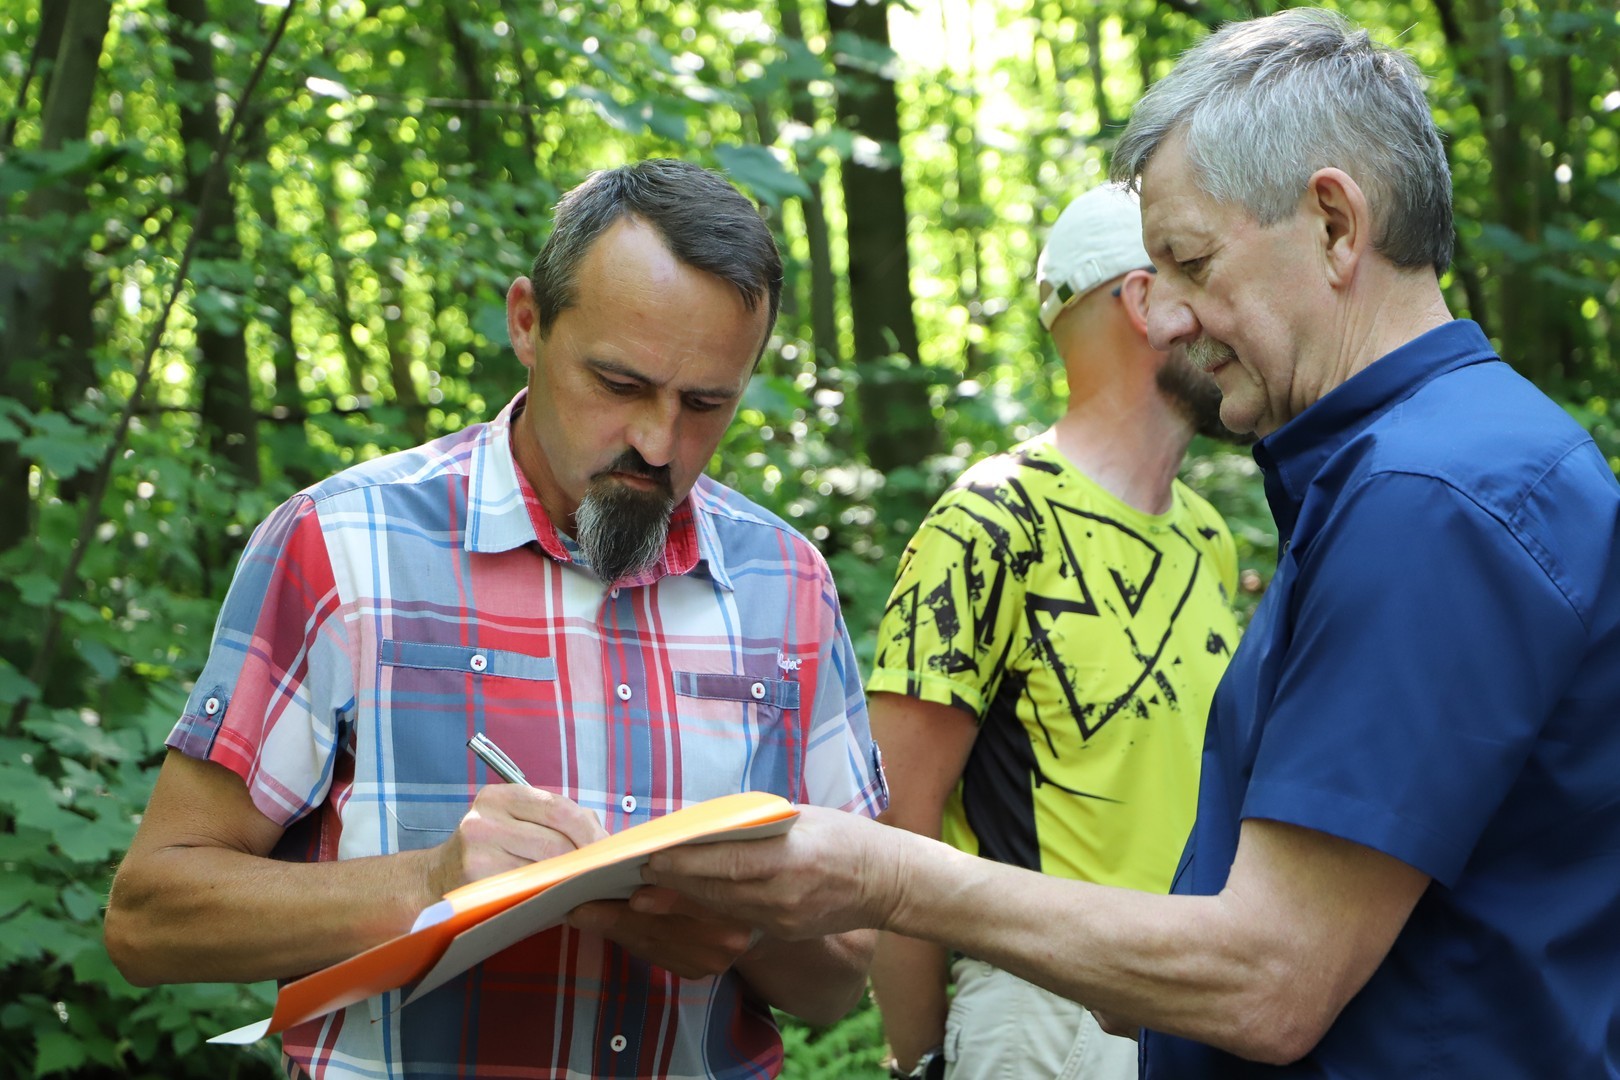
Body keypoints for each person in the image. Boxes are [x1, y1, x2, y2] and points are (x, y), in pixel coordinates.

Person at [637, 10, 1620, 1077]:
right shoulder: (1431, 469)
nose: (1168, 320)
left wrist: (888, 877)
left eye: (1191, 263)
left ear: (1337, 225)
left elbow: (1270, 978)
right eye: (1150, 280)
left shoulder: (1426, 500)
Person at [103, 159, 888, 1080]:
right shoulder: (341, 544)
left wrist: (746, 932)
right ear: (527, 322)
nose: (657, 442)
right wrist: (429, 883)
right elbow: (148, 921)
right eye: (619, 384)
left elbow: (840, 980)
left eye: (706, 404)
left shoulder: (785, 582)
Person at [866, 183, 1241, 1080]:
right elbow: (896, 830)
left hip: (1194, 1003)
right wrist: (921, 1061)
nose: (1233, 314)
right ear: (1144, 300)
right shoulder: (989, 525)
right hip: (1047, 1017)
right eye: (1204, 282)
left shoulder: (1210, 539)